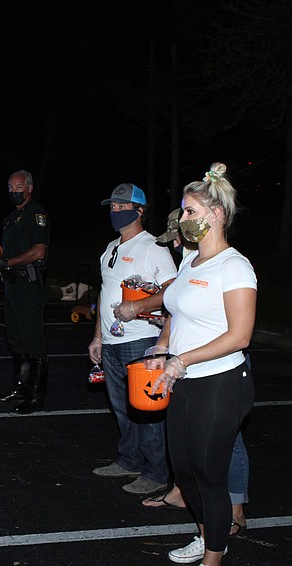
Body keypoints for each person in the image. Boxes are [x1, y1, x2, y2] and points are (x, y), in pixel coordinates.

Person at [146, 163, 256, 565]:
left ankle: (213, 557)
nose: (183, 218)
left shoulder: (234, 266)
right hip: (184, 379)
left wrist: (182, 359)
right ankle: (209, 535)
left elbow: (239, 336)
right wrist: (162, 347)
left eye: (190, 210)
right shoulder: (190, 262)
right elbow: (176, 313)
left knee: (209, 476)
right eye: (184, 210)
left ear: (217, 214)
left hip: (221, 382)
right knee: (185, 472)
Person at [88, 183, 177, 495]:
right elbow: (105, 292)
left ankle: (156, 472)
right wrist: (97, 336)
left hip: (142, 340)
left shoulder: (153, 248)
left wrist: (138, 307)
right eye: (112, 207)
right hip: (112, 342)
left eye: (122, 207)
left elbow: (174, 291)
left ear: (140, 211)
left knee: (147, 409)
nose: (115, 212)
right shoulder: (111, 248)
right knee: (121, 407)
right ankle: (129, 459)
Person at [0, 170, 50, 413]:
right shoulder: (12, 217)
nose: (13, 192)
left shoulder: (36, 215)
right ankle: (20, 387)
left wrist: (8, 263)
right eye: (10, 188)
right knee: (15, 339)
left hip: (29, 286)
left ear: (29, 188)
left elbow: (39, 251)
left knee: (33, 340)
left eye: (18, 188)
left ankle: (36, 396)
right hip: (12, 286)